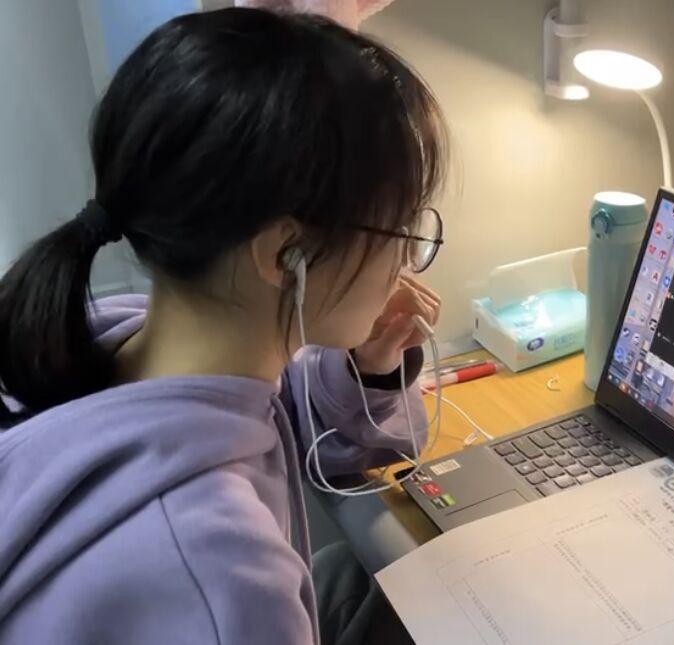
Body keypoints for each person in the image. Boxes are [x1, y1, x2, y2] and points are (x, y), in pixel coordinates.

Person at [0, 8, 446, 644]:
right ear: (284, 255)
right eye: (398, 227)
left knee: (365, 579)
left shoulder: (116, 334)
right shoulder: (221, 576)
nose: (405, 257)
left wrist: (370, 370)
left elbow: (296, 419)